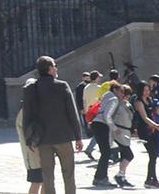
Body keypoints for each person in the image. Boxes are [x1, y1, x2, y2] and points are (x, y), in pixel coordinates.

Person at [22, 55, 82, 194]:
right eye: (55, 66)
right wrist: (78, 136)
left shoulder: (32, 88)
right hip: (63, 138)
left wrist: (28, 139)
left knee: (47, 177)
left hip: (43, 139)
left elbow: (27, 116)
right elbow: (72, 113)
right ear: (50, 69)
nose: (56, 68)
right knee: (69, 175)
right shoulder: (62, 86)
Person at [132, 81, 159, 188]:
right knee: (152, 154)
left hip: (153, 130)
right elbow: (144, 117)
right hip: (144, 131)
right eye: (145, 90)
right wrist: (156, 125)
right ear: (140, 90)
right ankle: (152, 180)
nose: (147, 92)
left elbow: (154, 114)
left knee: (154, 155)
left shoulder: (150, 100)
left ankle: (149, 179)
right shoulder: (138, 102)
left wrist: (158, 117)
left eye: (148, 90)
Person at [90, 81, 122, 188]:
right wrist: (115, 128)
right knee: (106, 152)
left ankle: (99, 177)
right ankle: (101, 178)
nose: (122, 94)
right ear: (115, 90)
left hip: (96, 123)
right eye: (120, 91)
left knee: (105, 152)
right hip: (102, 125)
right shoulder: (114, 99)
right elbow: (107, 116)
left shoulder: (105, 96)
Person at [16, 80, 44, 194]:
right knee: (39, 181)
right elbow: (30, 135)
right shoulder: (26, 111)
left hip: (37, 153)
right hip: (33, 153)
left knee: (43, 181)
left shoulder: (30, 108)